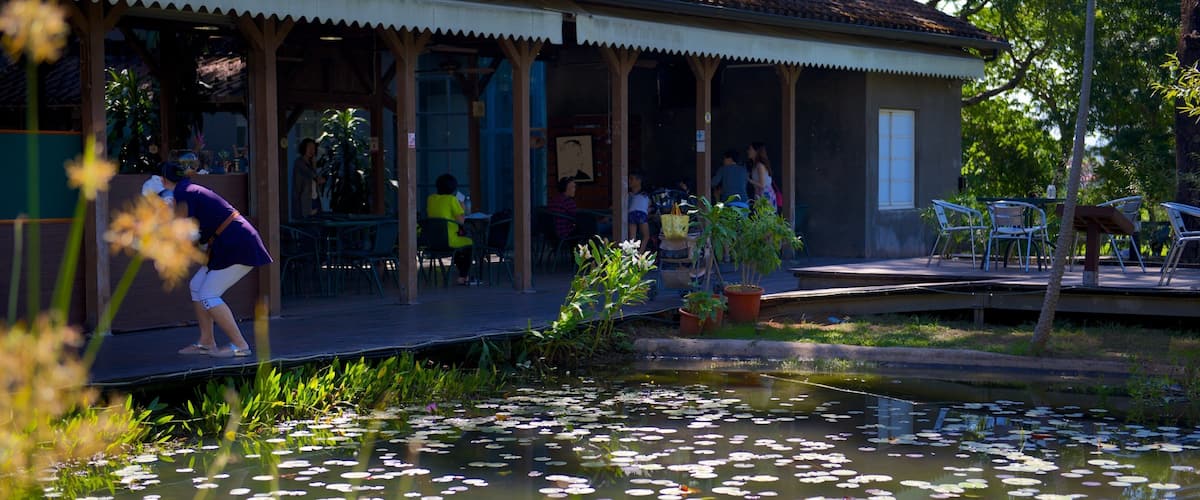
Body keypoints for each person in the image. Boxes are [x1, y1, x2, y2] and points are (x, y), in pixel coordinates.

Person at [163, 162, 273, 358]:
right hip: (229, 243)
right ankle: (207, 342)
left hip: (236, 244)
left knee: (208, 294)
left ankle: (240, 345)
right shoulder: (187, 189)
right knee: (197, 285)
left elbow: (186, 235)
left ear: (163, 180)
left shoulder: (183, 193)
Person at [426, 173, 476, 285]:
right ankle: (463, 276)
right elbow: (461, 221)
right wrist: (462, 206)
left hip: (433, 241)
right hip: (449, 240)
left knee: (458, 248)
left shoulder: (431, 199)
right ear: (453, 188)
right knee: (469, 243)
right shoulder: (452, 199)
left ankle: (463, 275)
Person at [291, 138, 325, 220]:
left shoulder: (311, 164)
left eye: (313, 148)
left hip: (314, 199)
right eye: (309, 147)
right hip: (304, 201)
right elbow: (310, 174)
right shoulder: (299, 162)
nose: (311, 150)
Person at [747, 142, 778, 209]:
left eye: (750, 149)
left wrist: (749, 180)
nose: (748, 151)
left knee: (765, 214)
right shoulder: (756, 165)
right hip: (760, 195)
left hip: (765, 195)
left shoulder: (760, 165)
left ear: (756, 151)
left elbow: (762, 184)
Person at [628, 170, 651, 251]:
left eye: (631, 179)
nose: (629, 181)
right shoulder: (646, 195)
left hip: (631, 213)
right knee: (646, 236)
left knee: (632, 238)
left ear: (639, 181)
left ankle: (631, 254)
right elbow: (648, 206)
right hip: (641, 214)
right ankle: (640, 253)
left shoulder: (629, 195)